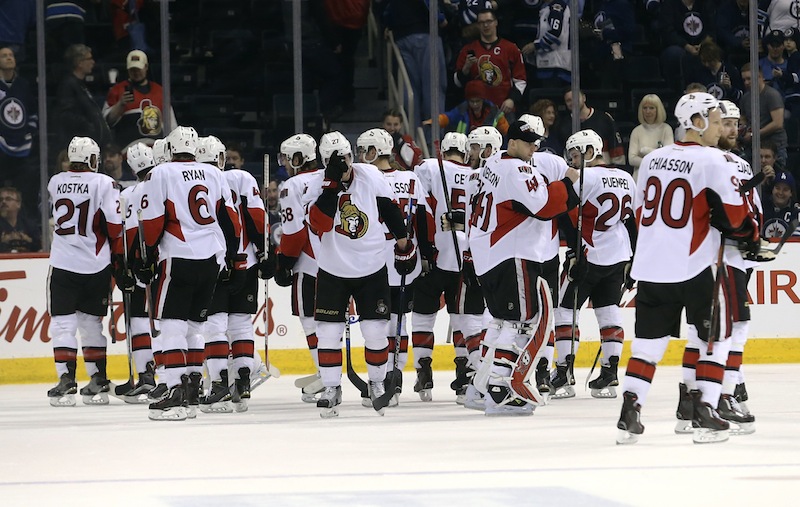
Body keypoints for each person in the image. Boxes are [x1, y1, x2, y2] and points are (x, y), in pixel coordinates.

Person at [616, 93, 766, 445]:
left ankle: (630, 409)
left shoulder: (652, 158)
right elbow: (736, 218)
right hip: (696, 265)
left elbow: (638, 212)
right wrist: (750, 235)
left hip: (652, 267)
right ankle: (705, 409)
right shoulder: (714, 160)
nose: (719, 128)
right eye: (715, 121)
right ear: (696, 122)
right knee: (716, 338)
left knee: (648, 346)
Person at [468, 120, 580, 416]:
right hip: (510, 254)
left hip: (487, 254)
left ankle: (479, 387)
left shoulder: (494, 163)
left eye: (536, 142)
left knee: (502, 321)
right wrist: (568, 182)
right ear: (512, 142)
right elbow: (545, 208)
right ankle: (499, 391)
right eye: (528, 142)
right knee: (521, 322)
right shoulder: (518, 170)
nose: (534, 147)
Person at [135, 126, 242, 421]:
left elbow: (154, 220)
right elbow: (231, 220)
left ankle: (173, 391)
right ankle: (192, 389)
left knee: (172, 326)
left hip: (178, 256)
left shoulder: (162, 173)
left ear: (169, 149)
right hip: (211, 259)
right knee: (196, 327)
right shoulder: (215, 174)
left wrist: (148, 254)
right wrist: (232, 257)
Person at [307, 131, 416, 417]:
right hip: (333, 269)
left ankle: (377, 384)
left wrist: (404, 244)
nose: (343, 163)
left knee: (375, 331)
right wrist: (331, 187)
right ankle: (332, 388)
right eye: (335, 160)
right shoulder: (316, 184)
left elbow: (390, 211)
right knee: (328, 333)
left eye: (344, 157)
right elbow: (320, 224)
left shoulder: (370, 176)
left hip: (372, 266)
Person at [674, 99, 758, 436]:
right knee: (735, 327)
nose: (730, 129)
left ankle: (689, 399)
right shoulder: (722, 162)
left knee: (701, 330)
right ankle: (722, 395)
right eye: (723, 122)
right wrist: (749, 236)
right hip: (723, 256)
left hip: (697, 257)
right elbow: (737, 215)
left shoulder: (691, 160)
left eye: (734, 123)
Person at [550, 129, 636, 400]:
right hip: (619, 254)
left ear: (590, 152)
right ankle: (610, 374)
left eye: (577, 154)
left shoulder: (583, 177)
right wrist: (636, 258)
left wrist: (574, 252)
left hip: (588, 253)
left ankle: (564, 373)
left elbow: (562, 208)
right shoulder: (625, 177)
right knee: (609, 311)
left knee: (565, 311)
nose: (573, 160)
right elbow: (632, 220)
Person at [196, 135, 272, 414]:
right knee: (240, 323)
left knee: (214, 325)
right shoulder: (240, 177)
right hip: (246, 261)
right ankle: (241, 383)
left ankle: (219, 384)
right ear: (221, 159)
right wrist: (265, 252)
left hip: (212, 262)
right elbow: (257, 216)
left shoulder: (192, 181)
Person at [46, 136, 123, 407]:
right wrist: (121, 259)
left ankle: (66, 379)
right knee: (91, 324)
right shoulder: (105, 183)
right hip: (96, 263)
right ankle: (97, 378)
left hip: (64, 263)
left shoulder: (55, 182)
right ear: (93, 159)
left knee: (63, 324)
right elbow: (114, 225)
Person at [412, 132, 485, 405]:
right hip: (465, 256)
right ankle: (467, 376)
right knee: (464, 319)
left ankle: (424, 372)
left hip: (431, 255)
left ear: (442, 151)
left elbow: (420, 209)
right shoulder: (477, 175)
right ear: (466, 153)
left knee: (423, 316)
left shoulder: (429, 167)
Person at [357, 128, 428, 406]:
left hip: (374, 259)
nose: (362, 156)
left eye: (364, 150)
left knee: (379, 322)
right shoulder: (411, 179)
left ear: (374, 151)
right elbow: (422, 219)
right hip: (406, 258)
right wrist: (424, 254)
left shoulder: (366, 179)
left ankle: (384, 379)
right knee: (399, 321)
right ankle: (394, 382)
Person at [275, 133, 325, 402]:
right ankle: (327, 373)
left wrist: (284, 261)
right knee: (329, 321)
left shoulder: (291, 185)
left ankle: (326, 374)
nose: (284, 162)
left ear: (299, 158)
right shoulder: (329, 177)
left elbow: (294, 233)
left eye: (286, 157)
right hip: (338, 261)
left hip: (308, 263)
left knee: (310, 321)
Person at [112, 142, 157, 403]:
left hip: (138, 262)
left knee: (138, 318)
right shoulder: (165, 183)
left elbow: (125, 234)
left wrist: (122, 266)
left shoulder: (128, 194)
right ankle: (182, 374)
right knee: (169, 320)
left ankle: (146, 375)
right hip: (165, 260)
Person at [380, 0, 447, 127]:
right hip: (427, 35)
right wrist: (441, 18)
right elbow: (430, 5)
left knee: (409, 91)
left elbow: (386, 10)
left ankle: (412, 140)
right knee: (433, 91)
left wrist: (387, 25)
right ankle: (432, 142)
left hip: (401, 38)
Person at [454, 8, 526, 117]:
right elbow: (457, 83)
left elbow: (520, 80)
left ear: (496, 22)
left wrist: (512, 100)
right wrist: (466, 68)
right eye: (481, 22)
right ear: (477, 25)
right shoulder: (467, 50)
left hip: (503, 109)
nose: (485, 25)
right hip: (476, 112)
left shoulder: (511, 49)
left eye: (488, 21)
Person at [102, 50, 177, 150]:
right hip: (127, 149)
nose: (136, 73)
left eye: (138, 69)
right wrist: (120, 105)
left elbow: (171, 123)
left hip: (156, 150)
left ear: (146, 67)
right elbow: (105, 122)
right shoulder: (117, 90)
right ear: (128, 70)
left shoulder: (160, 91)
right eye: (132, 70)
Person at [0, 45, 39, 218]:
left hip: (23, 146)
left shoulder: (23, 85)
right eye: (4, 56)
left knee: (26, 186)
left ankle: (25, 223)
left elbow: (32, 112)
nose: (9, 58)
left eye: (11, 55)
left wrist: (29, 131)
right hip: (1, 146)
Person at [55, 44, 112, 152]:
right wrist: (90, 127)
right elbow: (67, 115)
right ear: (79, 62)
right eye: (89, 59)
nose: (93, 62)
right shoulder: (68, 85)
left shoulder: (81, 85)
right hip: (80, 148)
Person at [556, 89, 626, 167]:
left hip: (603, 172)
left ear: (584, 98)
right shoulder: (563, 125)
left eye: (575, 98)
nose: (573, 102)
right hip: (576, 174)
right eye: (568, 100)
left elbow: (616, 149)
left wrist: (617, 170)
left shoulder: (604, 119)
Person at [657, 0, 717, 90]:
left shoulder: (705, 3)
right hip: (679, 46)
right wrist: (686, 46)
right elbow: (667, 31)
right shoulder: (669, 4)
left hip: (702, 45)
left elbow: (712, 29)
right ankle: (677, 90)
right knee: (674, 53)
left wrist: (703, 44)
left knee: (713, 51)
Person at [741, 62, 789, 166]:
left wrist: (754, 135)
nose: (746, 82)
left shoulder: (772, 95)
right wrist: (743, 129)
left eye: (749, 79)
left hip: (775, 146)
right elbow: (744, 118)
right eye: (744, 79)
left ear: (760, 77)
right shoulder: (745, 97)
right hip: (755, 148)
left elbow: (778, 123)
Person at [431, 80, 510, 136]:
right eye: (472, 101)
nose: (475, 104)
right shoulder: (462, 110)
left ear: (483, 100)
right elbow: (448, 117)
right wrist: (434, 121)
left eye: (478, 101)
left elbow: (507, 131)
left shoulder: (494, 112)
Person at [525, 0, 572, 87]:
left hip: (556, 65)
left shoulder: (557, 7)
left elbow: (555, 34)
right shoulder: (547, 8)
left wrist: (536, 45)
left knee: (552, 96)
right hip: (550, 63)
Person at [628, 94, 674, 180]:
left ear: (658, 110)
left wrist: (646, 151)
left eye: (651, 108)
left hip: (660, 177)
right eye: (645, 108)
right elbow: (632, 159)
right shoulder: (636, 131)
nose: (648, 111)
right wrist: (655, 159)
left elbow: (667, 156)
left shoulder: (666, 129)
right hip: (640, 178)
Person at [682, 38, 744, 102]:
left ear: (716, 57)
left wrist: (730, 89)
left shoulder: (731, 70)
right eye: (704, 61)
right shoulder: (698, 72)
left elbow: (740, 97)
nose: (706, 64)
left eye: (710, 61)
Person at [0, 186, 40, 253]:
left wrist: (27, 240)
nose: (3, 202)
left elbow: (39, 249)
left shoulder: (29, 225)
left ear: (18, 204)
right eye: (0, 200)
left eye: (8, 199)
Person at [762, 170, 800, 239]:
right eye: (777, 188)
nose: (780, 193)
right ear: (772, 189)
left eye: (785, 189)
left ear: (791, 193)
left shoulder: (796, 213)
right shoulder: (762, 207)